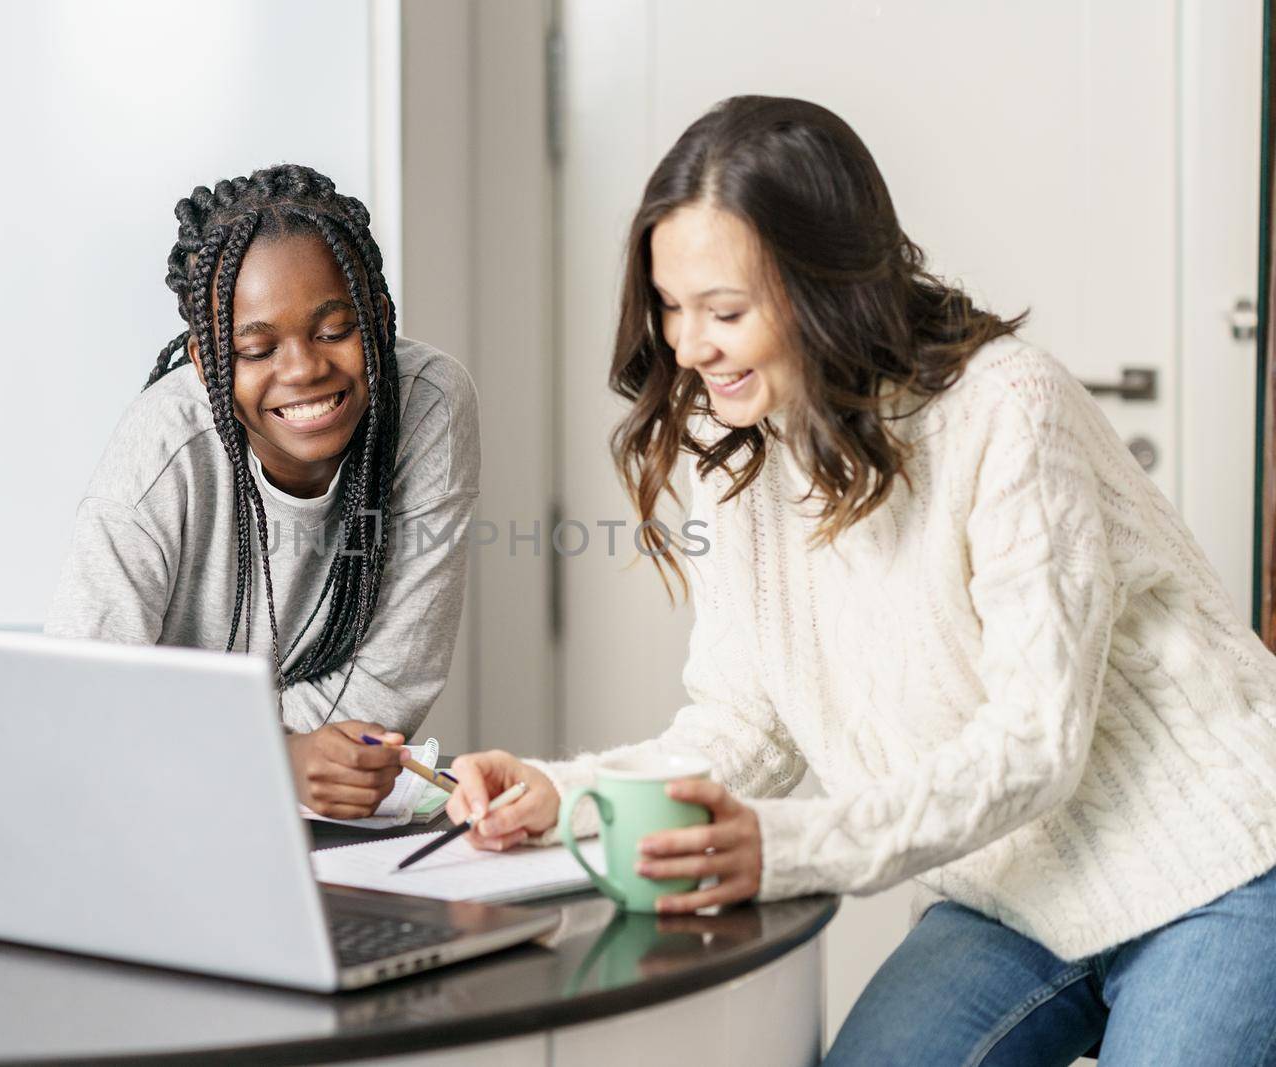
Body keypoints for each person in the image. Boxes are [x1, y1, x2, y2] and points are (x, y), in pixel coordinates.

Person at [446, 97, 1276, 1064]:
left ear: (826, 285)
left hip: (1219, 864)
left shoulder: (1008, 407)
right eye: (671, 306)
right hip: (1023, 891)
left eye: (724, 310)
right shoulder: (739, 449)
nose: (687, 347)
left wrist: (787, 845)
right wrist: (564, 794)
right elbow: (744, 726)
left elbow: (1036, 743)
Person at [46, 164, 479, 820]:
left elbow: (393, 681)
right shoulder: (163, 452)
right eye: (257, 349)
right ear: (207, 358)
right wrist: (277, 758)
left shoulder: (428, 403)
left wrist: (286, 758)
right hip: (150, 808)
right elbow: (83, 707)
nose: (304, 368)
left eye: (336, 331)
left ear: (381, 317)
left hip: (322, 815)